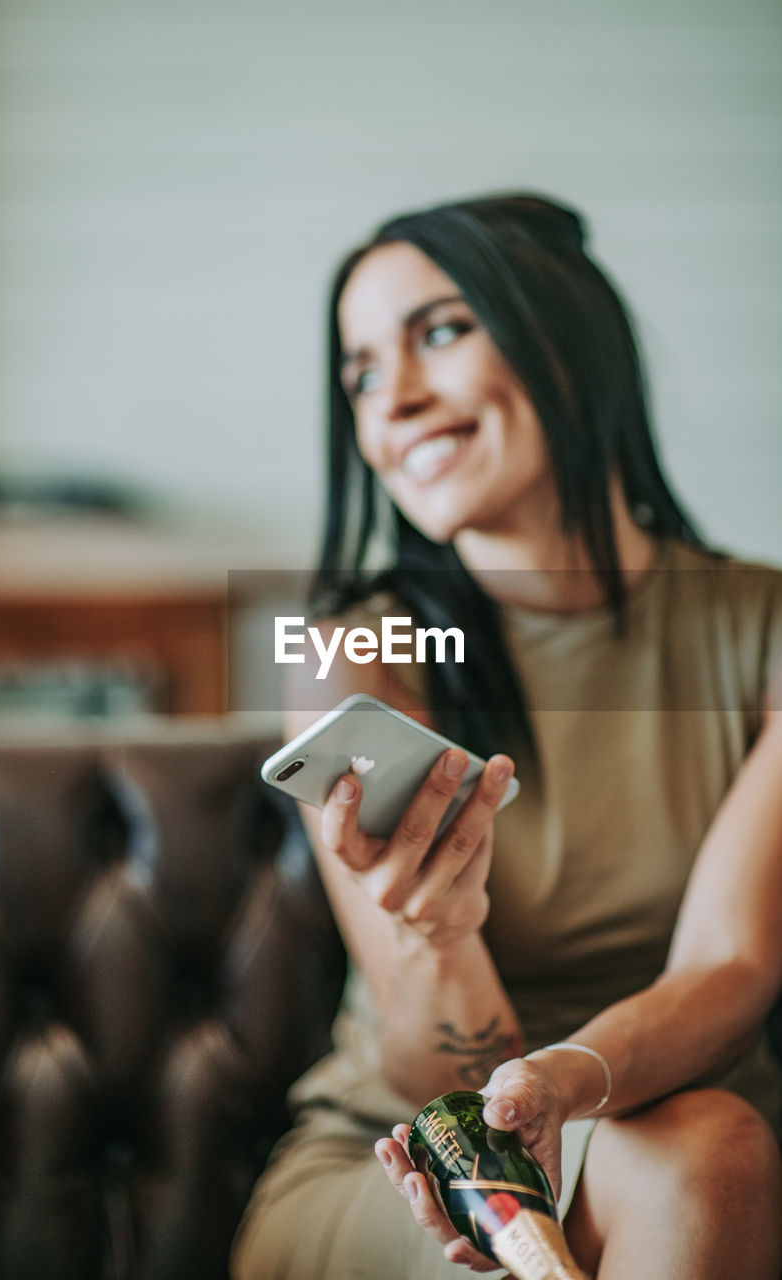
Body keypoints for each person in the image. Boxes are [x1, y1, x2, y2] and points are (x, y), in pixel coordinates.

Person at [230, 192, 782, 1279]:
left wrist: (567, 1080)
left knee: (705, 1153)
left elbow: (732, 959)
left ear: (566, 338)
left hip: (692, 1126)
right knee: (696, 1164)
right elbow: (428, 1067)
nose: (396, 399)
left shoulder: (759, 629)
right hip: (415, 1154)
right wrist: (438, 940)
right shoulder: (357, 656)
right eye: (361, 373)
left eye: (438, 330)